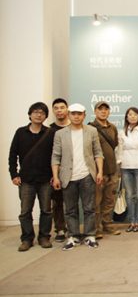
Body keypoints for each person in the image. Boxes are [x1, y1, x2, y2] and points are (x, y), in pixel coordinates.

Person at [51, 103, 104, 250]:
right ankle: (73, 236)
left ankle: (89, 235)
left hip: (87, 175)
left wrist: (99, 171)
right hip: (68, 176)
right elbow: (56, 157)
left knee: (89, 208)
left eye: (79, 114)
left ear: (84, 115)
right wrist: (56, 177)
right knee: (70, 209)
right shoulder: (60, 134)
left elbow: (98, 152)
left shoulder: (92, 131)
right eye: (73, 113)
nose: (76, 116)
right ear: (69, 115)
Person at [9, 102, 55, 251]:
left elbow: (55, 156)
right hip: (26, 179)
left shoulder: (50, 133)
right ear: (30, 114)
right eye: (35, 112)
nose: (38, 114)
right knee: (25, 212)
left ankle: (44, 236)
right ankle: (27, 238)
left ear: (46, 116)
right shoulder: (20, 132)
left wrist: (55, 175)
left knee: (46, 211)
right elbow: (12, 154)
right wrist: (14, 174)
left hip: (46, 179)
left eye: (42, 112)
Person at [89, 101, 121, 239]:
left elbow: (115, 147)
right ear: (95, 111)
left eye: (106, 109)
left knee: (109, 200)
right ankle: (96, 228)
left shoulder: (113, 127)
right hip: (98, 172)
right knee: (96, 201)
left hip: (112, 170)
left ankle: (107, 224)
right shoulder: (90, 128)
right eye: (100, 109)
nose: (103, 112)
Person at [116, 107, 138, 233]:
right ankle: (132, 221)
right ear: (126, 117)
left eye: (135, 115)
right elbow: (119, 150)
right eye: (130, 114)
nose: (133, 117)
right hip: (126, 167)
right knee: (129, 196)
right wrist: (119, 166)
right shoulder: (122, 132)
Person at [49, 98, 70, 242]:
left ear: (67, 109)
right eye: (56, 108)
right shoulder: (49, 130)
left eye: (62, 107)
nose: (59, 110)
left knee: (72, 202)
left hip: (75, 171)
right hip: (57, 173)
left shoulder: (76, 126)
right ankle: (60, 229)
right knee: (57, 202)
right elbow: (49, 154)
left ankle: (73, 228)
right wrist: (53, 174)